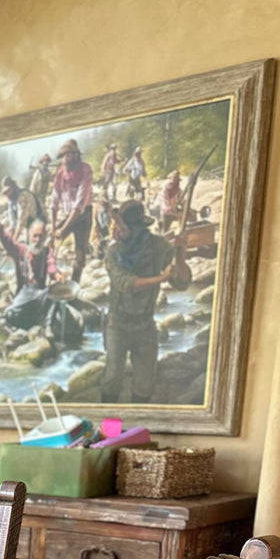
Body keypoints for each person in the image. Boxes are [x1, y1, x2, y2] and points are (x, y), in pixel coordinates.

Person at [103, 199, 175, 403]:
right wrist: (160, 279)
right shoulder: (113, 252)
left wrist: (182, 251)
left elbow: (181, 281)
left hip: (145, 326)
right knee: (112, 378)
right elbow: (125, 283)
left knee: (145, 385)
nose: (118, 231)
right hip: (118, 324)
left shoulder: (159, 246)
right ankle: (109, 431)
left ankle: (138, 430)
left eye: (122, 226)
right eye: (117, 225)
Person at [50, 137, 94, 278]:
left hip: (82, 215)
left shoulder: (85, 170)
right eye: (63, 156)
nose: (65, 159)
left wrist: (63, 229)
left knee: (80, 254)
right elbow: (55, 198)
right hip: (68, 214)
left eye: (68, 155)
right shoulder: (60, 172)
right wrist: (53, 226)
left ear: (76, 155)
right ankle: (49, 276)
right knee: (49, 245)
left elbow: (79, 203)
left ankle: (74, 285)